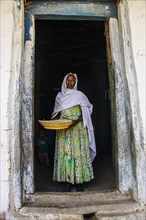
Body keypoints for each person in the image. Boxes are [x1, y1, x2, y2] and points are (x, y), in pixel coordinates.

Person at [52, 73, 96, 191]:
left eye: (72, 81)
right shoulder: (59, 96)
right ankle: (68, 182)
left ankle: (79, 181)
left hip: (78, 130)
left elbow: (85, 114)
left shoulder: (80, 96)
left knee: (78, 153)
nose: (69, 83)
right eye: (68, 80)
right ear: (64, 82)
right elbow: (57, 114)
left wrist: (75, 122)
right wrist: (52, 121)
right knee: (66, 155)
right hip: (63, 130)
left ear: (75, 82)